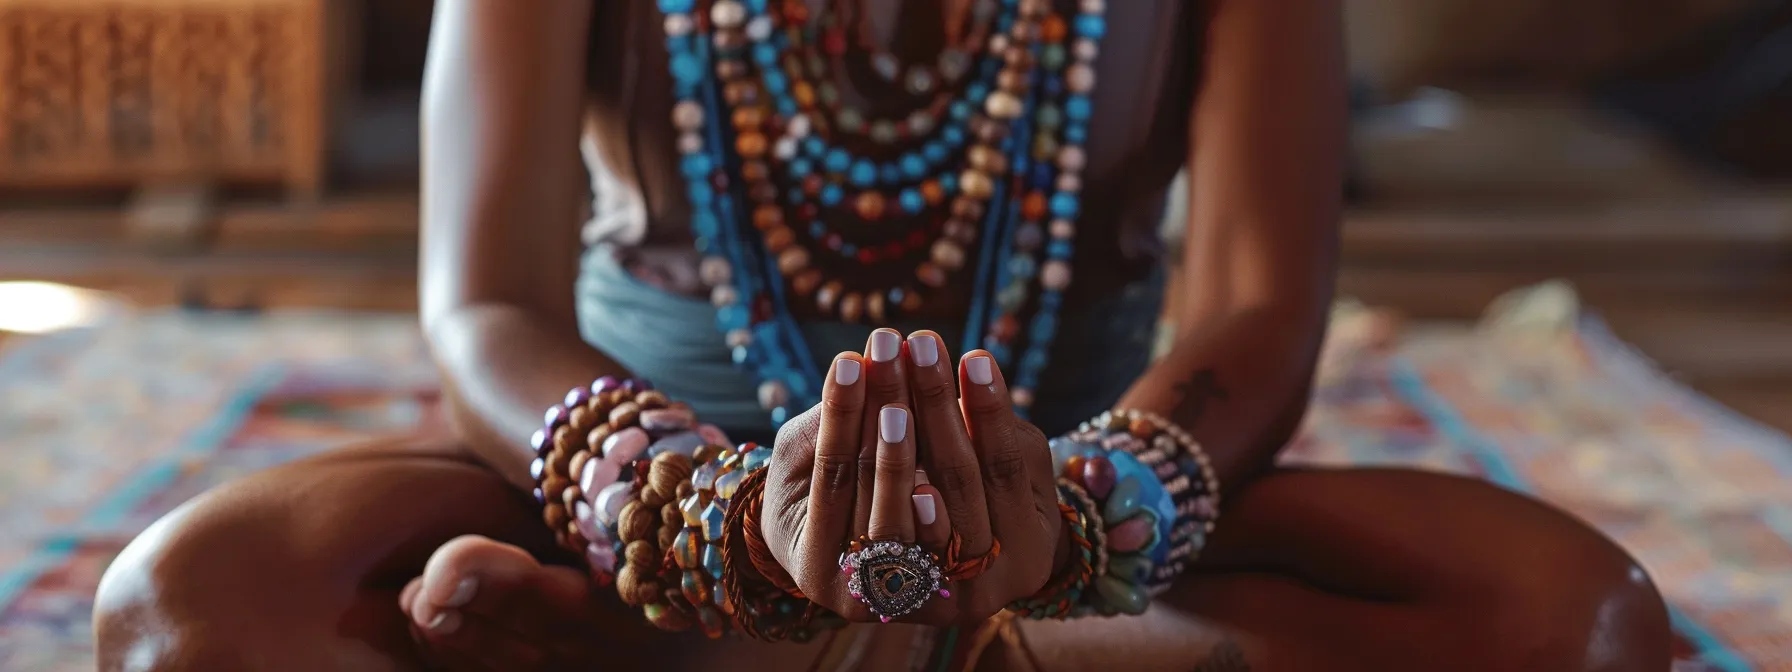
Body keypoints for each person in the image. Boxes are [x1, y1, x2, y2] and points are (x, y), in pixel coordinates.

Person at [93, 0, 1671, 669]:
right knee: (192, 611)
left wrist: (1078, 518)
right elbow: (484, 304)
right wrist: (691, 513)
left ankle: (841, 650)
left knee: (1572, 620)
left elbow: (1256, 305)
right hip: (637, 506)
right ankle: (808, 638)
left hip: (1085, 512)